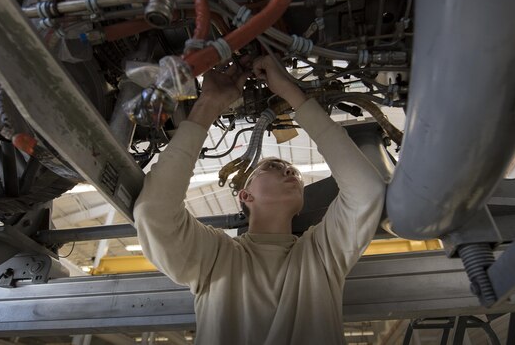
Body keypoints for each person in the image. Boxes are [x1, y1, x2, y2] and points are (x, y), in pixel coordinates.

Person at [133, 55, 387, 345]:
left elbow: (367, 191)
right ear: (246, 195)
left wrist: (294, 95)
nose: (290, 169)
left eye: (292, 171)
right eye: (272, 167)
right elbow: (154, 213)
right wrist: (208, 105)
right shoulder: (215, 256)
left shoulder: (321, 252)